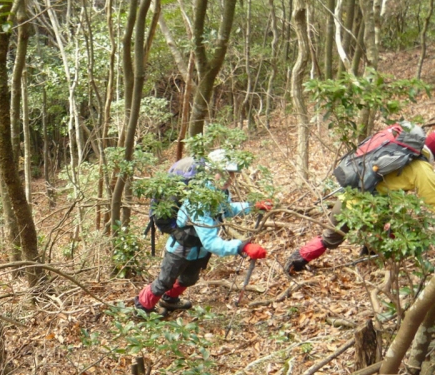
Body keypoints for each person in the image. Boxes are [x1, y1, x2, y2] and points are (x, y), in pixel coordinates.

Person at [135, 149, 272, 315]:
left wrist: (251, 206)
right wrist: (242, 247)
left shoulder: (219, 192)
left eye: (231, 174)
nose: (229, 178)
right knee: (165, 281)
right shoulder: (199, 200)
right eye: (223, 173)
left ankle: (170, 300)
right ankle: (143, 307)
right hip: (181, 247)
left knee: (189, 279)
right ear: (210, 172)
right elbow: (211, 242)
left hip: (199, 249)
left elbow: (226, 209)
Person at [285, 130, 435, 274]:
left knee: (329, 238)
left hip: (348, 197)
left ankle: (299, 258)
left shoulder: (398, 150)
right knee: (394, 231)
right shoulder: (422, 169)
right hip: (368, 210)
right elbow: (432, 201)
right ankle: (370, 257)